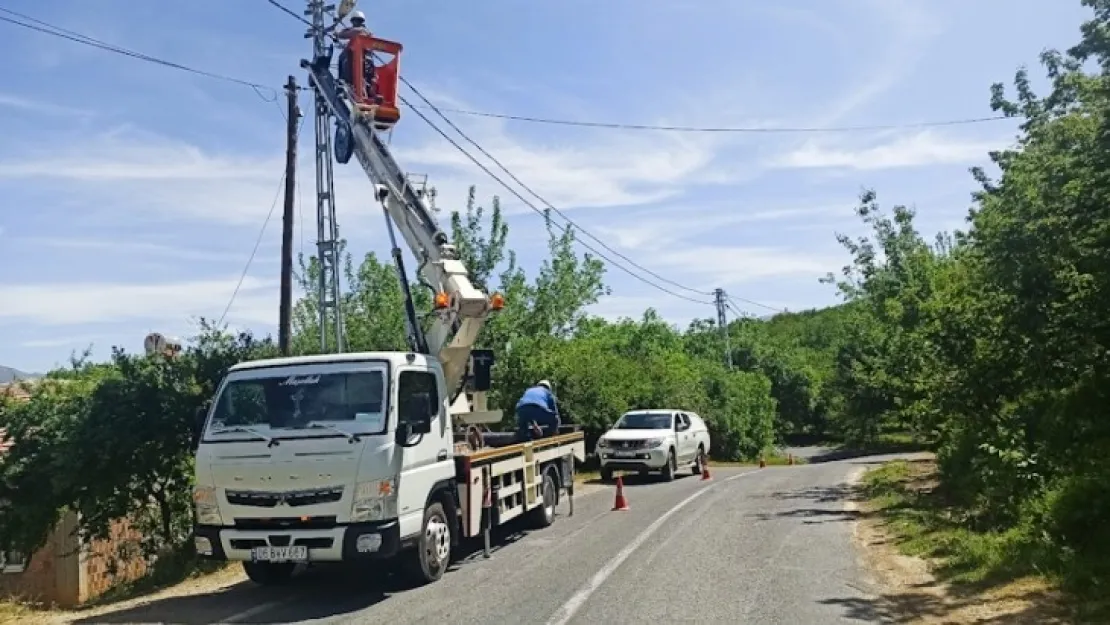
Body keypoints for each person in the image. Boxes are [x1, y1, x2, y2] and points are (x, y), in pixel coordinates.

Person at [334, 11, 376, 101]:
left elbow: (345, 34)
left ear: (355, 21)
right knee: (364, 82)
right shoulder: (366, 33)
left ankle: (342, 82)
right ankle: (365, 92)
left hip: (358, 61)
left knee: (342, 57)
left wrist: (337, 33)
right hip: (368, 64)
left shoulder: (360, 31)